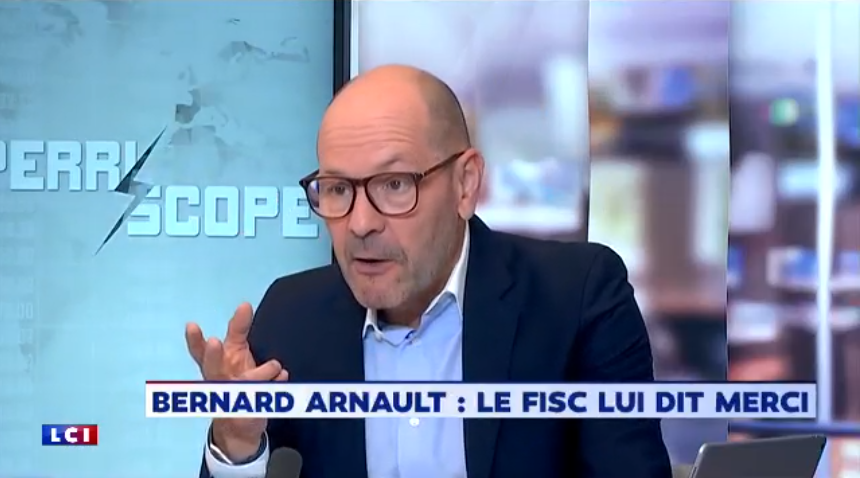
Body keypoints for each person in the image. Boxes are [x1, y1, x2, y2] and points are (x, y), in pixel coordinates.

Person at [186, 64, 672, 478]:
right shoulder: (292, 317)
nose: (360, 223)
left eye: (395, 184)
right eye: (337, 188)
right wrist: (237, 443)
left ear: (465, 184)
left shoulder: (576, 298)